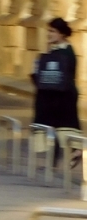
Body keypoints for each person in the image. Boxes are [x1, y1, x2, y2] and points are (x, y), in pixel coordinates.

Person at [32, 17, 81, 166]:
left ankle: (77, 151)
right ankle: (52, 163)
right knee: (52, 129)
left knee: (65, 128)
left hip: (62, 98)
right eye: (49, 30)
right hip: (51, 96)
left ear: (61, 34)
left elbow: (63, 74)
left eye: (52, 31)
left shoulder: (67, 52)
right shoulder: (55, 50)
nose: (49, 34)